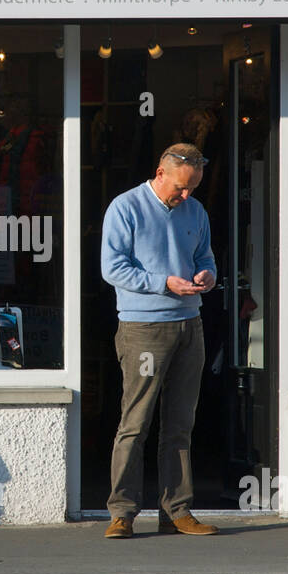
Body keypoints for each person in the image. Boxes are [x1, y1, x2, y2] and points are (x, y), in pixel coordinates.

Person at [100, 142, 219, 538]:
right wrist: (162, 283)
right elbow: (111, 266)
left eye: (193, 189)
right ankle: (123, 513)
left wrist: (207, 276)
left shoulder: (195, 211)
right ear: (161, 172)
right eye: (181, 188)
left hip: (190, 324)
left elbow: (205, 257)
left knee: (181, 423)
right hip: (143, 327)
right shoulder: (126, 207)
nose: (186, 196)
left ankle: (177, 510)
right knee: (136, 421)